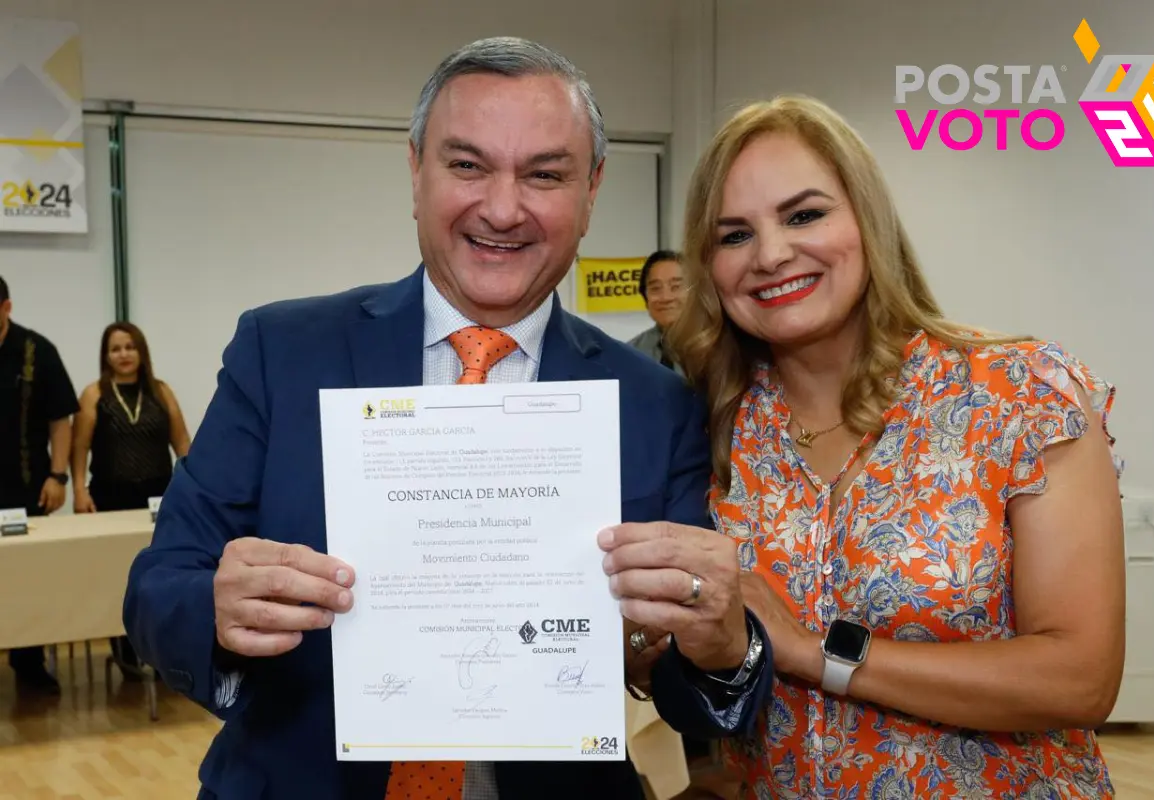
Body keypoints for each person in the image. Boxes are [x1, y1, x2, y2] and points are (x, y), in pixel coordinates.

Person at [122, 38, 773, 800]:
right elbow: (156, 589)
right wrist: (217, 608)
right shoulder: (283, 352)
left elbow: (692, 691)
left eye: (545, 174)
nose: (502, 207)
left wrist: (717, 646)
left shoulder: (655, 403)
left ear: (592, 190)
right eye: (467, 165)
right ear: (415, 171)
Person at [604, 96, 1126, 798]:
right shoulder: (710, 424)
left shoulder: (1021, 395)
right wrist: (649, 643)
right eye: (733, 235)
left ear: (867, 220)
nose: (771, 254)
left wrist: (813, 654)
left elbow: (1080, 679)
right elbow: (682, 656)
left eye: (804, 214)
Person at [73, 321, 191, 679]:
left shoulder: (160, 391)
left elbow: (183, 443)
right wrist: (78, 489)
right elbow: (78, 448)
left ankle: (162, 653)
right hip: (111, 496)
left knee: (161, 574)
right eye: (115, 348)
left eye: (129, 347)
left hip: (158, 496)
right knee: (119, 576)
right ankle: (126, 653)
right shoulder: (94, 394)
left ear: (141, 351)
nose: (123, 354)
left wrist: (196, 488)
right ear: (105, 356)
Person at [0, 275, 78, 695]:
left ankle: (28, 663)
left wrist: (59, 475)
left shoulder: (37, 351)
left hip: (27, 487)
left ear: (6, 308)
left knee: (27, 579)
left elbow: (60, 419)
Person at [627, 250, 687, 375]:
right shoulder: (631, 353)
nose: (665, 297)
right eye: (655, 288)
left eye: (676, 287)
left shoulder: (722, 348)